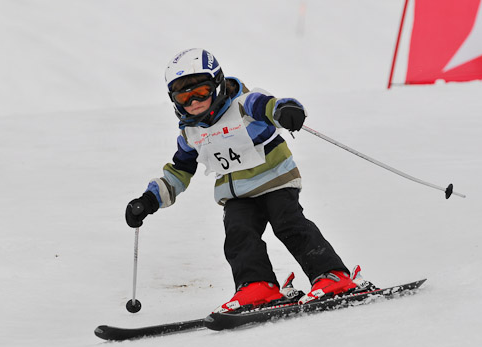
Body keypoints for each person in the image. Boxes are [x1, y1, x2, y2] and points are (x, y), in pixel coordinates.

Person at [125, 48, 361, 313]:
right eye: (184, 97)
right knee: (239, 235)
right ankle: (257, 285)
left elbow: (271, 106)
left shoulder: (243, 103)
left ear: (216, 83)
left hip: (275, 180)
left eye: (200, 92)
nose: (193, 102)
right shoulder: (190, 131)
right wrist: (148, 201)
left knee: (289, 224)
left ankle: (332, 276)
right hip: (237, 196)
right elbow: (179, 171)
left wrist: (286, 110)